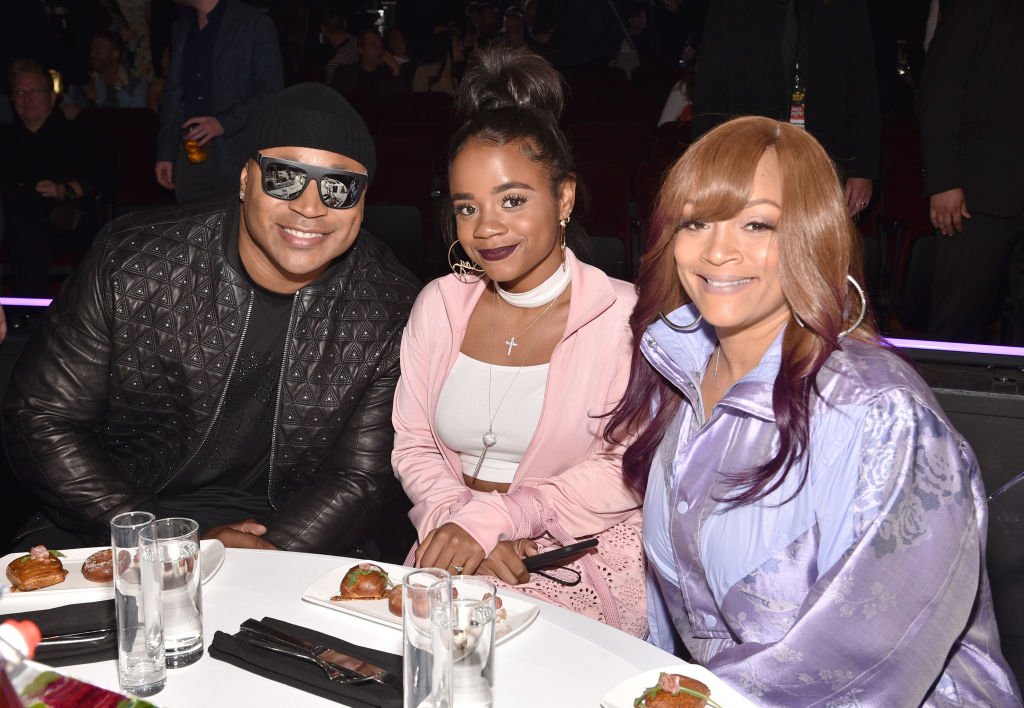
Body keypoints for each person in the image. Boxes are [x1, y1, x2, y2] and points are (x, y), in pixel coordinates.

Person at [605, 116, 1020, 704]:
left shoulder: (880, 414)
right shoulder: (680, 369)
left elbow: (859, 659)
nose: (719, 250)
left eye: (757, 224)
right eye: (697, 222)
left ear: (810, 235)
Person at [4, 83, 421, 556]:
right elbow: (42, 418)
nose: (310, 206)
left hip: (293, 530)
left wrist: (271, 554)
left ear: (363, 201)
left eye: (338, 188)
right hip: (119, 512)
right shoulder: (135, 261)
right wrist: (169, 540)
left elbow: (358, 478)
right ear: (246, 180)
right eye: (284, 177)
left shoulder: (389, 307)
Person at [392, 45, 647, 637]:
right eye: (467, 207)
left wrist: (504, 519)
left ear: (564, 198)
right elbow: (413, 445)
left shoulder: (624, 316)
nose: (487, 228)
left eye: (513, 200)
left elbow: (627, 467)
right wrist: (462, 527)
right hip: (451, 548)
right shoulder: (439, 305)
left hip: (578, 557)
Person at [692, 0, 879, 218]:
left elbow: (863, 88)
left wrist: (864, 170)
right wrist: (706, 161)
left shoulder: (846, 7)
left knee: (815, 245)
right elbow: (711, 86)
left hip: (825, 156)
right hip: (749, 151)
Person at [920, 0, 1024, 343]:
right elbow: (940, 87)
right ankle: (944, 397)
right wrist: (944, 179)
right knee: (957, 325)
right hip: (977, 191)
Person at [0, 59, 113, 296]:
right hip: (17, 222)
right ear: (12, 99)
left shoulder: (78, 134)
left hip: (68, 222)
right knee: (21, 218)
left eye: (34, 91)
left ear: (52, 97)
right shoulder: (6, 140)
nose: (27, 99)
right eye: (20, 92)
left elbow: (103, 178)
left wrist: (64, 190)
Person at [155, 0, 283, 203]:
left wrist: (222, 123)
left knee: (233, 229)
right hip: (190, 153)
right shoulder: (182, 26)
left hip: (237, 153)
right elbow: (174, 94)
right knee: (192, 228)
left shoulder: (254, 24)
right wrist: (166, 152)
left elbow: (271, 92)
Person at [61, 30, 147, 119]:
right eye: (91, 50)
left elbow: (137, 119)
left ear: (115, 54)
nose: (92, 55)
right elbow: (65, 107)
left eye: (98, 50)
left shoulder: (135, 85)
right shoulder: (82, 82)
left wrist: (119, 90)